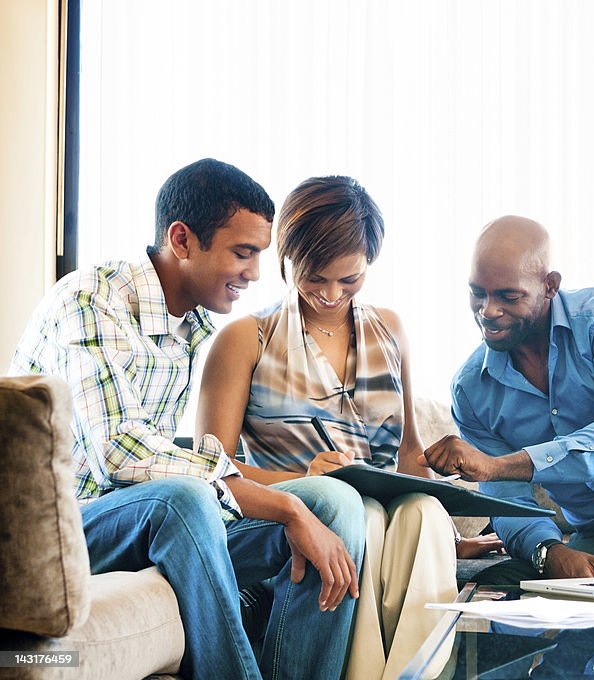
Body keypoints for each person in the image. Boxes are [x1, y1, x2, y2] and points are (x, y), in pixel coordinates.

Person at [9, 159, 365, 680]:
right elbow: (122, 454)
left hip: (142, 521)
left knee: (333, 503)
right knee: (185, 496)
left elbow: (175, 463)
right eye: (242, 253)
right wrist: (283, 506)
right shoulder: (90, 302)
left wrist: (300, 501)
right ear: (181, 239)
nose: (255, 274)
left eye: (259, 256)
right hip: (64, 527)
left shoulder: (191, 323)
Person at [195, 175, 498, 680]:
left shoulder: (391, 329)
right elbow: (211, 473)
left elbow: (407, 457)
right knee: (362, 516)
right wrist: (307, 478)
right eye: (314, 278)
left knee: (421, 511)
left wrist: (446, 539)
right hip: (294, 516)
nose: (331, 294)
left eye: (349, 280)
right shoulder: (246, 339)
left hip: (383, 506)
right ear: (288, 258)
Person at [420, 215, 594, 584]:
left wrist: (498, 465)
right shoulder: (471, 390)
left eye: (508, 296)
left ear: (550, 286)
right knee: (509, 589)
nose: (488, 311)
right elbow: (507, 503)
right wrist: (549, 552)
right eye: (478, 292)